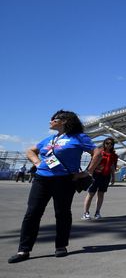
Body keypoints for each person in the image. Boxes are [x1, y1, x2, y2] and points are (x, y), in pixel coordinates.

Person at [9, 110, 101, 263]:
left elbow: (97, 152)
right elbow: (30, 150)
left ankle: (61, 246)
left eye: (53, 119)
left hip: (64, 180)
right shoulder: (49, 139)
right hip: (41, 179)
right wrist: (38, 163)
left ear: (64, 121)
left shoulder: (79, 137)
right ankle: (23, 250)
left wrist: (87, 172)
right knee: (32, 213)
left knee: (62, 213)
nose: (50, 121)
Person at [82, 138, 118, 220]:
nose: (109, 145)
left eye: (111, 144)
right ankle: (86, 213)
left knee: (101, 194)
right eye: (107, 143)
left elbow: (112, 166)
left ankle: (97, 212)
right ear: (104, 143)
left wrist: (113, 177)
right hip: (96, 175)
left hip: (106, 176)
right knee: (91, 193)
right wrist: (90, 172)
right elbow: (93, 162)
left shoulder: (113, 155)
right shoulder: (99, 152)